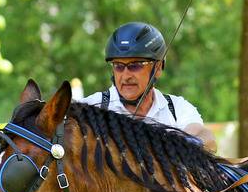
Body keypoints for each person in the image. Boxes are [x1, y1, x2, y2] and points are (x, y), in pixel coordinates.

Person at [81, 22, 218, 151]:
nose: (126, 75)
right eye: (118, 66)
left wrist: (177, 146)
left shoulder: (177, 109)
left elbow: (207, 139)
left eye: (135, 65)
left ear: (157, 68)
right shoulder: (91, 107)